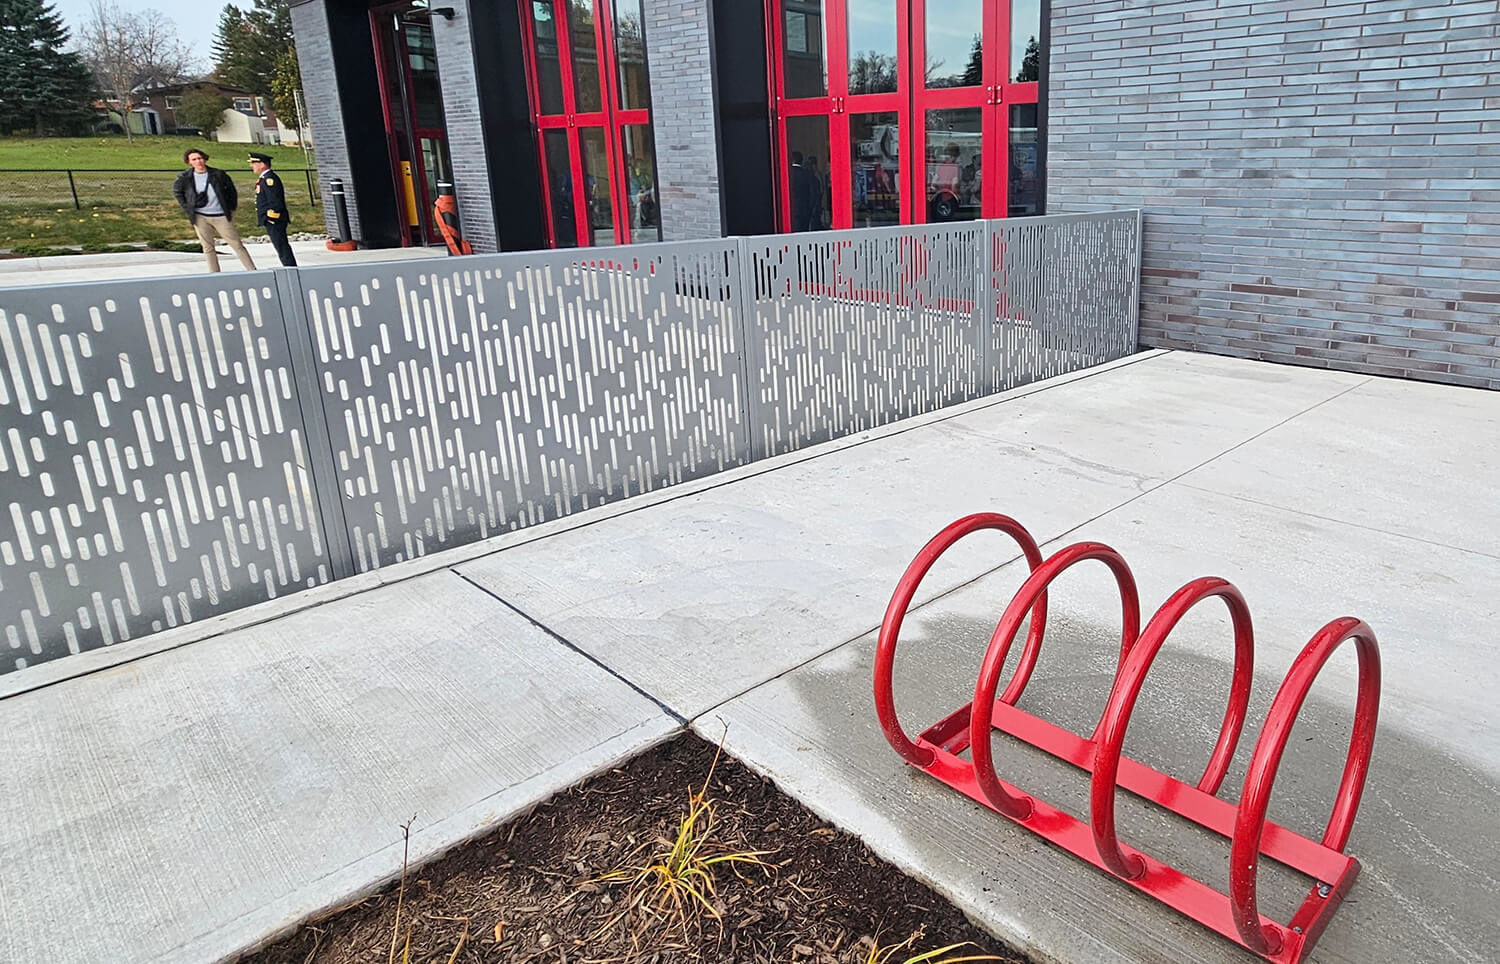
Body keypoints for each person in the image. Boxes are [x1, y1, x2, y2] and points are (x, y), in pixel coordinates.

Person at [172, 148, 257, 273]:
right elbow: (178, 193)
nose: (198, 161)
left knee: (236, 244)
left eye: (200, 158)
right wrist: (187, 208)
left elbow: (231, 192)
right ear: (189, 162)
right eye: (194, 159)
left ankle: (252, 270)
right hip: (200, 216)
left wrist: (232, 208)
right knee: (208, 247)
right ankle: (214, 273)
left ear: (205, 159)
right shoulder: (185, 177)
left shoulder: (218, 174)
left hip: (220, 215)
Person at [249, 151, 296, 267]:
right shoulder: (264, 178)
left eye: (254, 163)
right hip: (271, 219)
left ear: (262, 164)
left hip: (275, 219)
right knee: (280, 246)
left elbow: (275, 201)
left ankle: (290, 268)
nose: (252, 166)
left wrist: (271, 217)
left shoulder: (270, 179)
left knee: (282, 246)